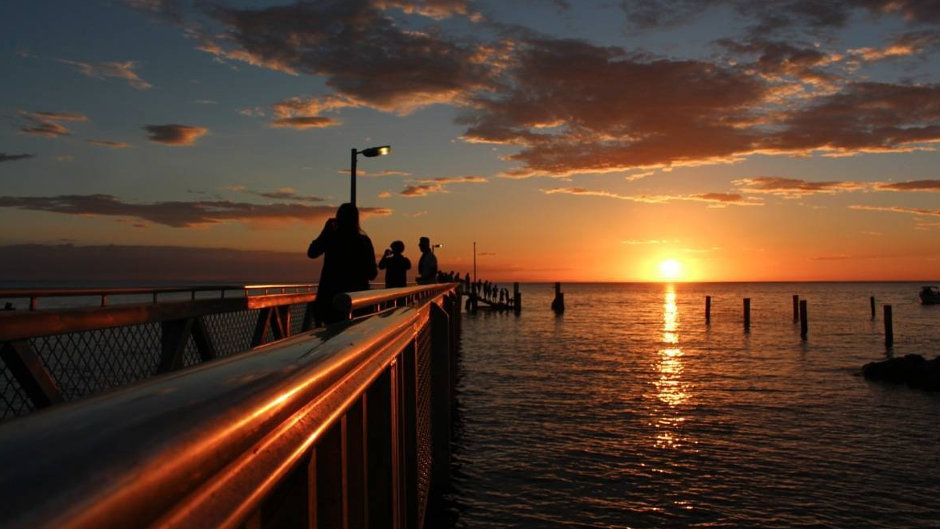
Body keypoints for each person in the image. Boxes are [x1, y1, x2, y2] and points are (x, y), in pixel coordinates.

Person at [307, 203, 377, 324]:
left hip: (330, 301)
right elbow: (372, 274)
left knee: (331, 339)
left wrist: (325, 232)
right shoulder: (364, 241)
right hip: (357, 302)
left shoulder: (331, 238)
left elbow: (312, 252)